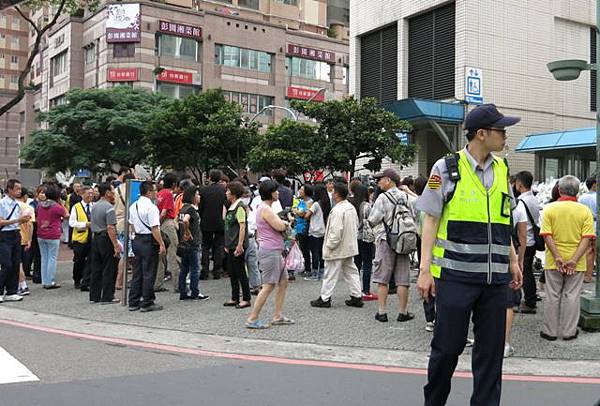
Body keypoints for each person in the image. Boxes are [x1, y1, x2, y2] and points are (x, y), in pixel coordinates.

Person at [416, 103, 523, 406]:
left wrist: (513, 260)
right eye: (501, 131)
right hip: (455, 278)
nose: (505, 136)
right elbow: (431, 219)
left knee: (491, 356)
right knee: (447, 350)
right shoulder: (445, 168)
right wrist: (425, 271)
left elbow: (506, 220)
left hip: (494, 281)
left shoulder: (502, 169)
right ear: (481, 134)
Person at [539, 175, 594, 341]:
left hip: (553, 260)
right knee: (572, 295)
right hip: (576, 262)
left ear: (559, 190)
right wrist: (575, 259)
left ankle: (550, 332)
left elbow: (546, 236)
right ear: (577, 191)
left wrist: (557, 257)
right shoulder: (584, 211)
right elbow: (587, 238)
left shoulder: (549, 209)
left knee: (552, 295)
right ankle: (569, 332)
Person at [368, 168, 415, 323]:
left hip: (386, 240)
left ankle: (382, 313)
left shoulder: (382, 198)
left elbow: (373, 219)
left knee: (383, 278)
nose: (378, 182)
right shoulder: (406, 196)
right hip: (403, 241)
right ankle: (403, 312)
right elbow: (414, 216)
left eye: (380, 179)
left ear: (388, 180)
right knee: (403, 279)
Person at [245, 180, 294, 329]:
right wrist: (287, 223)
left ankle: (277, 315)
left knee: (283, 281)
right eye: (275, 191)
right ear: (270, 193)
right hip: (270, 251)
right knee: (268, 285)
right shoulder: (265, 209)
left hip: (274, 250)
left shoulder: (265, 208)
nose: (278, 193)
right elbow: (279, 225)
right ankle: (252, 318)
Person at [310, 183, 364, 308]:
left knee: (330, 273)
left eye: (334, 191)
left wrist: (329, 246)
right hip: (349, 246)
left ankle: (325, 298)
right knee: (351, 271)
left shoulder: (337, 210)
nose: (332, 193)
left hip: (337, 248)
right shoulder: (350, 207)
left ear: (337, 194)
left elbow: (335, 231)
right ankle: (356, 296)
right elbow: (356, 225)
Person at [128, 181, 166, 312]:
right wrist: (161, 243)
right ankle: (147, 302)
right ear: (149, 192)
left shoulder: (134, 206)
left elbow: (131, 225)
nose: (156, 193)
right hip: (148, 240)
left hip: (137, 239)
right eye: (155, 191)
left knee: (137, 271)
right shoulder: (152, 208)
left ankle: (133, 300)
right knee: (149, 272)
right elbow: (154, 228)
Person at [512, 171, 542, 314]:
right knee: (528, 270)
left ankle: (529, 301)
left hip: (525, 241)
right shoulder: (534, 199)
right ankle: (531, 298)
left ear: (519, 184)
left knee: (524, 271)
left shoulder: (521, 202)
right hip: (533, 240)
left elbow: (520, 228)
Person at [89, 183, 121, 304]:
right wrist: (116, 245)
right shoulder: (109, 208)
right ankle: (108, 296)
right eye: (112, 191)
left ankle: (94, 295)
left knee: (96, 267)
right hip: (105, 238)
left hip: (95, 238)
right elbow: (110, 228)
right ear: (107, 193)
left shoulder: (95, 206)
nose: (114, 194)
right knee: (109, 267)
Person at [0, 179, 31, 302]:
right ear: (9, 189)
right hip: (4, 235)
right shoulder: (2, 203)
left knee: (15, 263)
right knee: (6, 264)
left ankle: (12, 291)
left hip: (16, 234)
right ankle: (1, 291)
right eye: (17, 188)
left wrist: (23, 220)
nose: (19, 191)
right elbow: (1, 222)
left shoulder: (17, 204)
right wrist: (18, 220)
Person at [177, 185, 209, 301]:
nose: (199, 196)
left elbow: (180, 221)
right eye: (197, 194)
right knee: (195, 268)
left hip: (184, 244)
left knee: (184, 268)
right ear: (192, 196)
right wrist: (187, 232)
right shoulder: (190, 209)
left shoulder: (182, 208)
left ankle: (183, 292)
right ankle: (195, 292)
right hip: (193, 243)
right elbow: (185, 220)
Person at [223, 181, 251, 308]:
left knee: (240, 271)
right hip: (230, 243)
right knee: (232, 271)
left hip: (237, 244)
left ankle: (246, 298)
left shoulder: (239, 207)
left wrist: (240, 244)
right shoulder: (232, 205)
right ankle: (235, 297)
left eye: (228, 191)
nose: (226, 193)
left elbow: (242, 227)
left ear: (233, 193)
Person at [37, 184, 69, 289]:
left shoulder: (40, 205)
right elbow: (66, 215)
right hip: (53, 235)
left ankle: (44, 280)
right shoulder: (57, 207)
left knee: (44, 258)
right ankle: (50, 281)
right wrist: (62, 204)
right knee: (52, 258)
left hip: (41, 233)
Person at [351, 183, 377, 301]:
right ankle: (365, 290)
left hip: (355, 237)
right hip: (365, 237)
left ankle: (355, 290)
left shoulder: (351, 204)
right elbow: (372, 220)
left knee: (356, 264)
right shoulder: (366, 206)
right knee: (367, 263)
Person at [199, 169, 227, 280]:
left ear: (209, 178)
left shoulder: (203, 190)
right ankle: (217, 271)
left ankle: (205, 271)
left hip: (206, 221)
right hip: (220, 221)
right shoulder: (223, 190)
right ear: (220, 178)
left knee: (205, 246)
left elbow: (201, 207)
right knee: (219, 245)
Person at [156, 173, 179, 292]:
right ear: (174, 184)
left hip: (158, 226)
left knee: (160, 255)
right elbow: (164, 212)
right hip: (167, 223)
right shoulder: (169, 194)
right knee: (173, 253)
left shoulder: (159, 194)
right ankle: (177, 285)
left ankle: (157, 283)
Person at [69, 186, 94, 289]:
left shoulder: (94, 206)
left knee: (91, 259)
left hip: (92, 237)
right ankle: (77, 279)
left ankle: (86, 280)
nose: (90, 196)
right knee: (79, 260)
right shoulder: (76, 207)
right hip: (80, 237)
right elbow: (72, 222)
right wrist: (85, 224)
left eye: (92, 193)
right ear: (82, 194)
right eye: (88, 193)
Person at [114, 173, 136, 290]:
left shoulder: (116, 190)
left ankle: (123, 279)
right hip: (127, 224)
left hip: (117, 223)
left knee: (126, 252)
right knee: (126, 254)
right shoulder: (130, 191)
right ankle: (119, 281)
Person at [304, 184, 327, 281]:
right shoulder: (325, 203)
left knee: (314, 252)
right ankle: (322, 272)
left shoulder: (316, 204)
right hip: (323, 230)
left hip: (314, 231)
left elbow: (307, 215)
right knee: (321, 252)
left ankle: (314, 273)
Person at [579, 176, 597, 284]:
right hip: (597, 224)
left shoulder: (582, 198)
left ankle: (587, 276)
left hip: (587, 226)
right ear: (594, 185)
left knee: (589, 251)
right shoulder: (597, 197)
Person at [292, 185, 313, 277]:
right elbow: (295, 210)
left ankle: (308, 269)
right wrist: (297, 211)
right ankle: (304, 267)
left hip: (305, 227)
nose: (300, 191)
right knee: (302, 248)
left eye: (302, 189)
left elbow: (303, 213)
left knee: (306, 249)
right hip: (298, 227)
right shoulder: (300, 201)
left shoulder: (310, 202)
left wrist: (296, 211)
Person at [244, 186, 261, 295]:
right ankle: (245, 287)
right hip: (241, 240)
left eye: (248, 196)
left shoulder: (252, 209)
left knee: (253, 264)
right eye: (244, 196)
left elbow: (256, 226)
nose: (246, 198)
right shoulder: (236, 209)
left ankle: (256, 286)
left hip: (251, 238)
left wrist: (258, 239)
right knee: (241, 265)